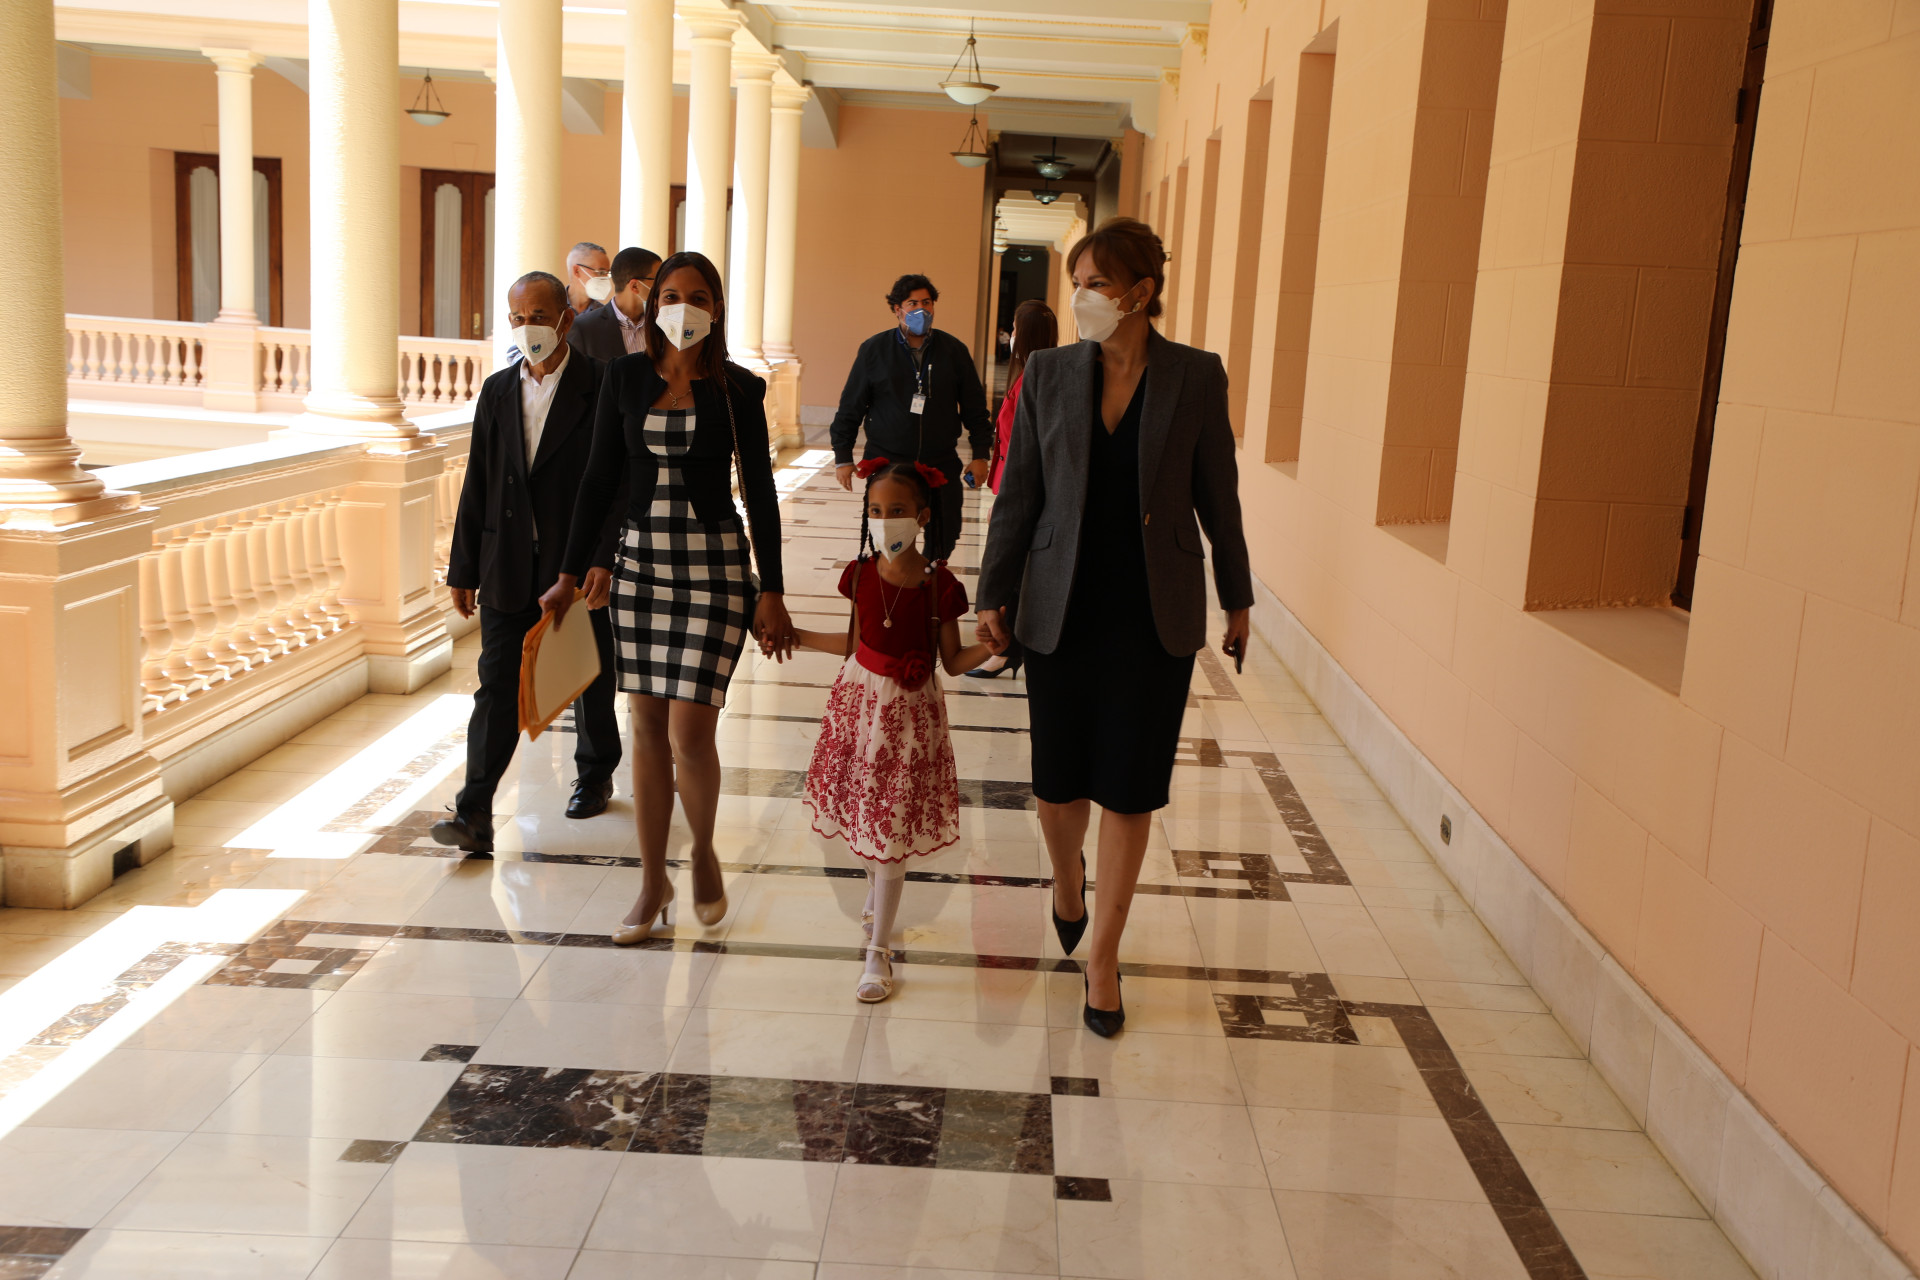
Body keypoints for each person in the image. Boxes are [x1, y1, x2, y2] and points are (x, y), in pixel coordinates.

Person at [976, 217, 1254, 1037]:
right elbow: (1020, 492)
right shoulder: (1050, 372)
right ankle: (1068, 883)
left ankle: (1104, 957)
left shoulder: (1195, 376)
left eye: (1096, 283)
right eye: (1078, 283)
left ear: (1141, 292)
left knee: (1130, 788)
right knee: (1057, 789)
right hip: (1059, 607)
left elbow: (1220, 495)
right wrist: (993, 590)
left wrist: (1237, 596)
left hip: (1151, 613)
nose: (1082, 298)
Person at [542, 250, 796, 942]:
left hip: (715, 572)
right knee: (646, 729)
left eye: (698, 297)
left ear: (716, 309)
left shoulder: (739, 389)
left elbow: (761, 495)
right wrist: (568, 572)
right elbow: (599, 479)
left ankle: (703, 848)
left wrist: (772, 589)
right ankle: (652, 881)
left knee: (690, 731)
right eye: (672, 296)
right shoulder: (624, 378)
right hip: (641, 570)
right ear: (654, 307)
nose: (684, 308)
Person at [771, 459, 993, 1002]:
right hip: (860, 706)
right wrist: (796, 634)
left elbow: (953, 661)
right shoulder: (860, 574)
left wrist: (993, 647)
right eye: (875, 510)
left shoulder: (940, 585)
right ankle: (876, 893)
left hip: (909, 720)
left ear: (921, 517)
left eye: (896, 510)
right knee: (868, 812)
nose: (885, 520)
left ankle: (879, 950)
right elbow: (855, 642)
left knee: (891, 824)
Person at [435, 271, 625, 856]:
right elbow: (479, 481)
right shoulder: (497, 390)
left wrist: (603, 558)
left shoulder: (602, 384)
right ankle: (474, 809)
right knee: (495, 685)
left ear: (567, 317)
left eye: (538, 316)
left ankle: (594, 773)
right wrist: (464, 567)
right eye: (517, 319)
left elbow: (618, 483)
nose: (528, 328)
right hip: (507, 563)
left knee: (588, 674)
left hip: (577, 564)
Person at [829, 274, 993, 562]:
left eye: (926, 303)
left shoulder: (954, 351)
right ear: (897, 309)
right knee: (889, 539)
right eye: (912, 303)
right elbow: (850, 406)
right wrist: (843, 457)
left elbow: (975, 407)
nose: (921, 309)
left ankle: (929, 578)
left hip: (940, 461)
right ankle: (895, 583)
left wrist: (980, 454)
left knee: (945, 535)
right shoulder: (874, 350)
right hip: (887, 462)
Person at [968, 299, 1058, 681]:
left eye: (1016, 329)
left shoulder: (1035, 382)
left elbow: (1026, 449)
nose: (1012, 335)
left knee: (1014, 572)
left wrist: (1008, 501)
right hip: (1009, 486)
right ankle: (1009, 648)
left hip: (1018, 491)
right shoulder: (1028, 376)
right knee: (1014, 571)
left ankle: (1006, 649)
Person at [570, 246, 660, 362]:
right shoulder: (584, 328)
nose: (664, 286)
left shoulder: (661, 323)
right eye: (658, 280)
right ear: (635, 286)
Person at [565, 241, 613, 315]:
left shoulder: (605, 315)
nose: (605, 278)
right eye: (601, 272)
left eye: (607, 273)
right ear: (577, 271)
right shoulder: (551, 306)